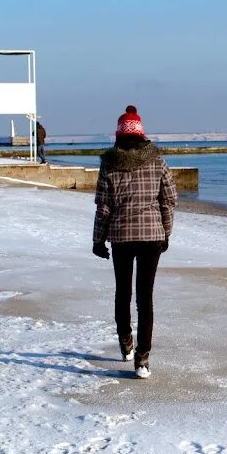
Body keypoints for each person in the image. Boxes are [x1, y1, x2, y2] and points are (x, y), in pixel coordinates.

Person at [92, 105, 177, 379]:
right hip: (152, 235)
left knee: (123, 292)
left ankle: (126, 340)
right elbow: (169, 199)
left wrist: (98, 240)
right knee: (145, 298)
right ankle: (142, 359)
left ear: (118, 135)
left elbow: (103, 207)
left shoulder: (109, 164)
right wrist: (166, 231)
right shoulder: (158, 161)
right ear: (142, 135)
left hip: (121, 237)